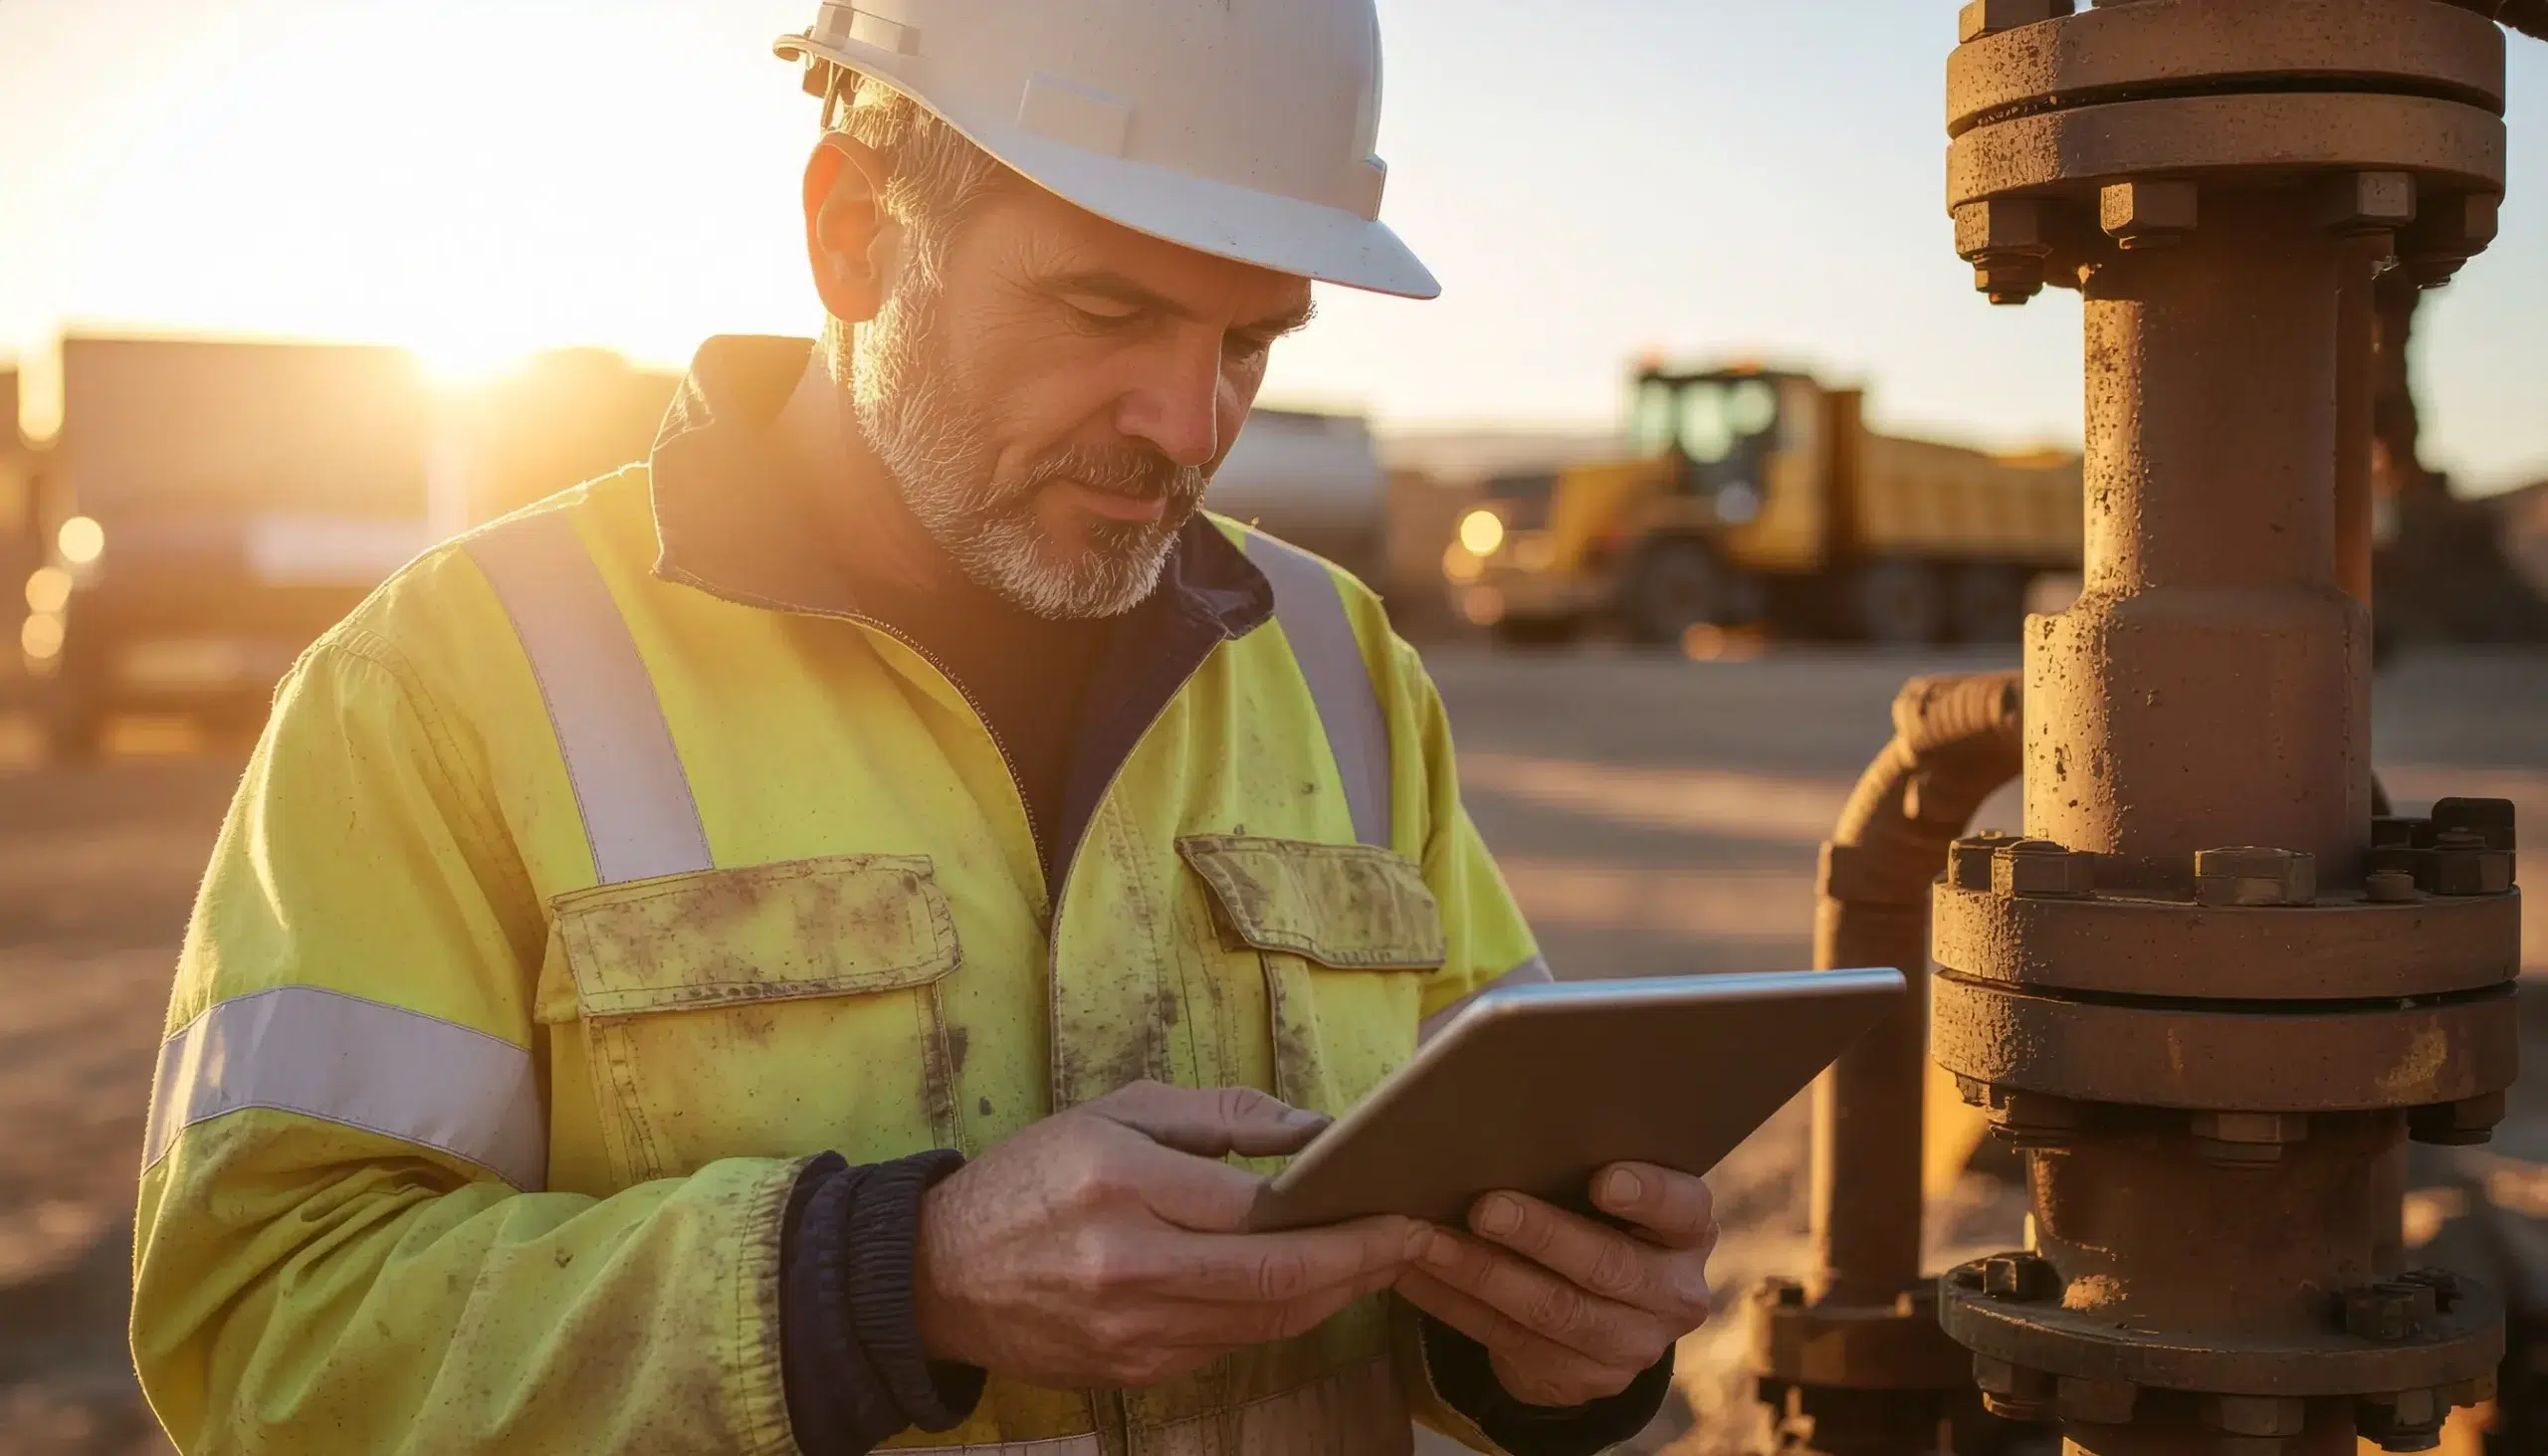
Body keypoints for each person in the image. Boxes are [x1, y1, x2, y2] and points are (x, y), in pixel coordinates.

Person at [130, 3, 1719, 1451]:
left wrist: (1562, 1340)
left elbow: (1494, 1192)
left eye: (1250, 342)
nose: (1191, 425)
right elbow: (264, 1338)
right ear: (853, 234)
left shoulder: (1343, 659)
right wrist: (889, 1284)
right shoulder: (444, 678)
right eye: (1108, 306)